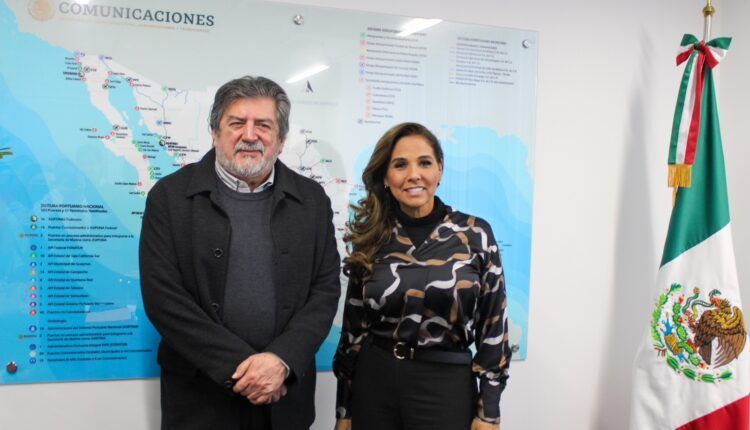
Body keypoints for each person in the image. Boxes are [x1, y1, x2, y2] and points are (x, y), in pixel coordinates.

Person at [139, 76, 341, 430]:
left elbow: (324, 292)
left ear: (281, 139)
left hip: (284, 400)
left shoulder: (311, 200)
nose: (250, 135)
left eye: (263, 125)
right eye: (236, 123)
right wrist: (245, 370)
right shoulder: (169, 198)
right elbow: (163, 299)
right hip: (199, 403)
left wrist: (280, 361)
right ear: (215, 133)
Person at [333, 123, 511, 430]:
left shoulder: (475, 234)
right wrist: (344, 410)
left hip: (446, 386)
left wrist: (489, 412)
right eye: (400, 164)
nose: (414, 174)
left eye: (425, 163)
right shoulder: (372, 237)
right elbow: (353, 331)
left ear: (440, 170)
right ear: (385, 177)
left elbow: (493, 327)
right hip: (374, 384)